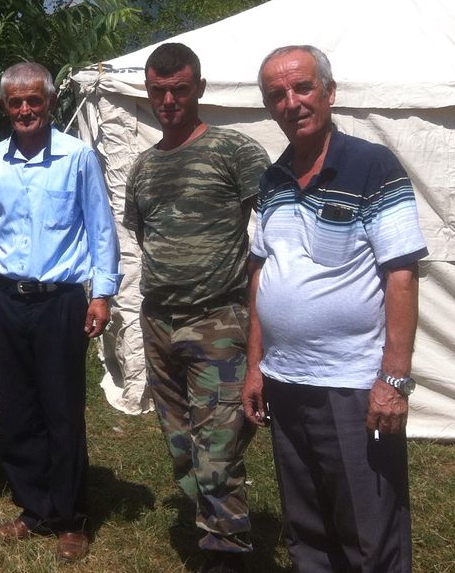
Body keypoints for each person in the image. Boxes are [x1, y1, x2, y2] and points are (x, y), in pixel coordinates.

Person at [241, 45, 426, 573]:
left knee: (369, 530)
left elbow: (401, 275)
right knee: (307, 526)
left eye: (303, 87)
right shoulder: (273, 179)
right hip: (285, 380)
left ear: (329, 92)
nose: (292, 102)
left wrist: (393, 380)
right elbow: (261, 273)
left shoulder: (372, 166)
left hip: (352, 383)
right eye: (277, 94)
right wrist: (255, 365)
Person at [124, 43, 270, 573]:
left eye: (179, 90)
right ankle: (210, 521)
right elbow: (146, 236)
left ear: (199, 89)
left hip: (218, 320)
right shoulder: (143, 166)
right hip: (159, 321)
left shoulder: (235, 151)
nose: (168, 101)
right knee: (181, 442)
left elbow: (275, 230)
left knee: (219, 447)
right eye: (158, 91)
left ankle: (225, 554)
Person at [0, 62, 120, 564]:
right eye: (15, 102)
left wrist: (102, 294)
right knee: (17, 410)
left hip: (60, 301)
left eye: (34, 100)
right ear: (4, 106)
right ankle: (33, 506)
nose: (25, 109)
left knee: (61, 409)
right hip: (7, 299)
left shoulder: (77, 157)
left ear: (51, 103)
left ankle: (70, 516)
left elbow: (100, 227)